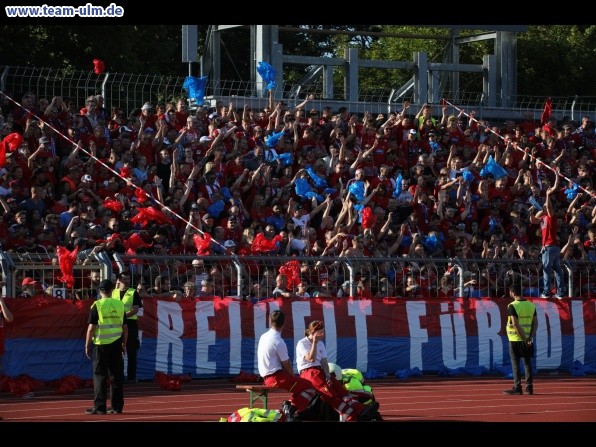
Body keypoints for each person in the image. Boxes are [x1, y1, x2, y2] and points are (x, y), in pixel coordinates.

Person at [295, 320, 380, 421]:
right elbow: (311, 358)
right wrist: (314, 342)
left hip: (319, 371)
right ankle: (349, 414)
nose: (323, 334)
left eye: (323, 332)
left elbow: (324, 362)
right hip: (308, 372)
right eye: (321, 332)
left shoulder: (321, 344)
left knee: (341, 390)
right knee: (331, 394)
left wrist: (327, 375)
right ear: (313, 333)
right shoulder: (302, 343)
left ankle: (361, 410)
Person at [257, 309, 319, 422]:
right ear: (284, 323)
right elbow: (286, 364)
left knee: (301, 386)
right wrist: (293, 376)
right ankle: (291, 408)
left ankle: (289, 407)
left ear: (270, 321)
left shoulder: (263, 336)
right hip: (275, 377)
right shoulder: (278, 341)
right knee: (310, 387)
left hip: (267, 376)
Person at [84, 279, 127, 414]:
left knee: (99, 376)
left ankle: (99, 407)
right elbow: (125, 328)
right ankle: (117, 407)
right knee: (116, 376)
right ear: (112, 290)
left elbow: (91, 328)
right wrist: (124, 344)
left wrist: (87, 345)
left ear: (100, 290)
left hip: (100, 345)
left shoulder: (97, 305)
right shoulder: (120, 305)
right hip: (116, 344)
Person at [529, 170, 565, 299]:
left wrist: (548, 196)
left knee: (546, 270)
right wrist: (531, 212)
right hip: (551, 247)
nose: (545, 206)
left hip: (549, 247)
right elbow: (533, 220)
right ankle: (560, 293)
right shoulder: (543, 218)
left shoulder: (551, 217)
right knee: (557, 271)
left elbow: (549, 208)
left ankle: (547, 292)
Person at [503, 280, 537, 396]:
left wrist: (523, 338)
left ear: (512, 293)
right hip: (528, 338)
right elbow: (535, 323)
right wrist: (529, 338)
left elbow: (515, 324)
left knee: (515, 364)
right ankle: (529, 387)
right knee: (527, 363)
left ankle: (517, 387)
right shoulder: (531, 305)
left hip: (515, 339)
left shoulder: (512, 306)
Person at [112, 271, 142, 383]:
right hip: (116, 325)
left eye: (128, 279)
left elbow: (135, 309)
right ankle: (118, 376)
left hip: (130, 325)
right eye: (125, 279)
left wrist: (122, 316)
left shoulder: (133, 292)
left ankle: (131, 377)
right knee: (116, 351)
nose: (127, 281)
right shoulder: (113, 292)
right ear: (119, 280)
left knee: (131, 351)